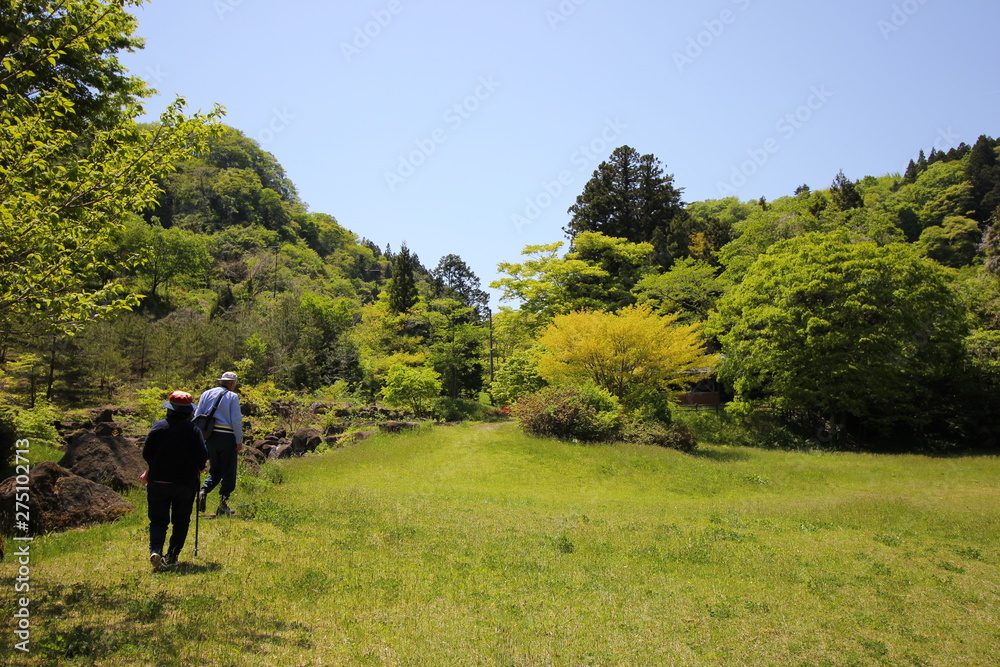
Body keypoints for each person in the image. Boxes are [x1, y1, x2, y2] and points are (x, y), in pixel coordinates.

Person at [143, 391, 208, 572]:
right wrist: (201, 465)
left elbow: (146, 452)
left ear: (169, 410)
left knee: (158, 520)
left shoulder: (158, 427)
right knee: (181, 520)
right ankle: (172, 556)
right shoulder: (193, 429)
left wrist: (155, 466)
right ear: (188, 412)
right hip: (185, 482)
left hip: (159, 481)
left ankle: (156, 550)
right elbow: (202, 455)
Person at [194, 371, 244, 516]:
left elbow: (198, 416)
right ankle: (223, 504)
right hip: (227, 436)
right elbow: (236, 420)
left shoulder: (206, 394)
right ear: (232, 383)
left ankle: (203, 490)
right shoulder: (232, 396)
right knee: (229, 470)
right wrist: (238, 440)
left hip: (210, 437)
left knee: (215, 470)